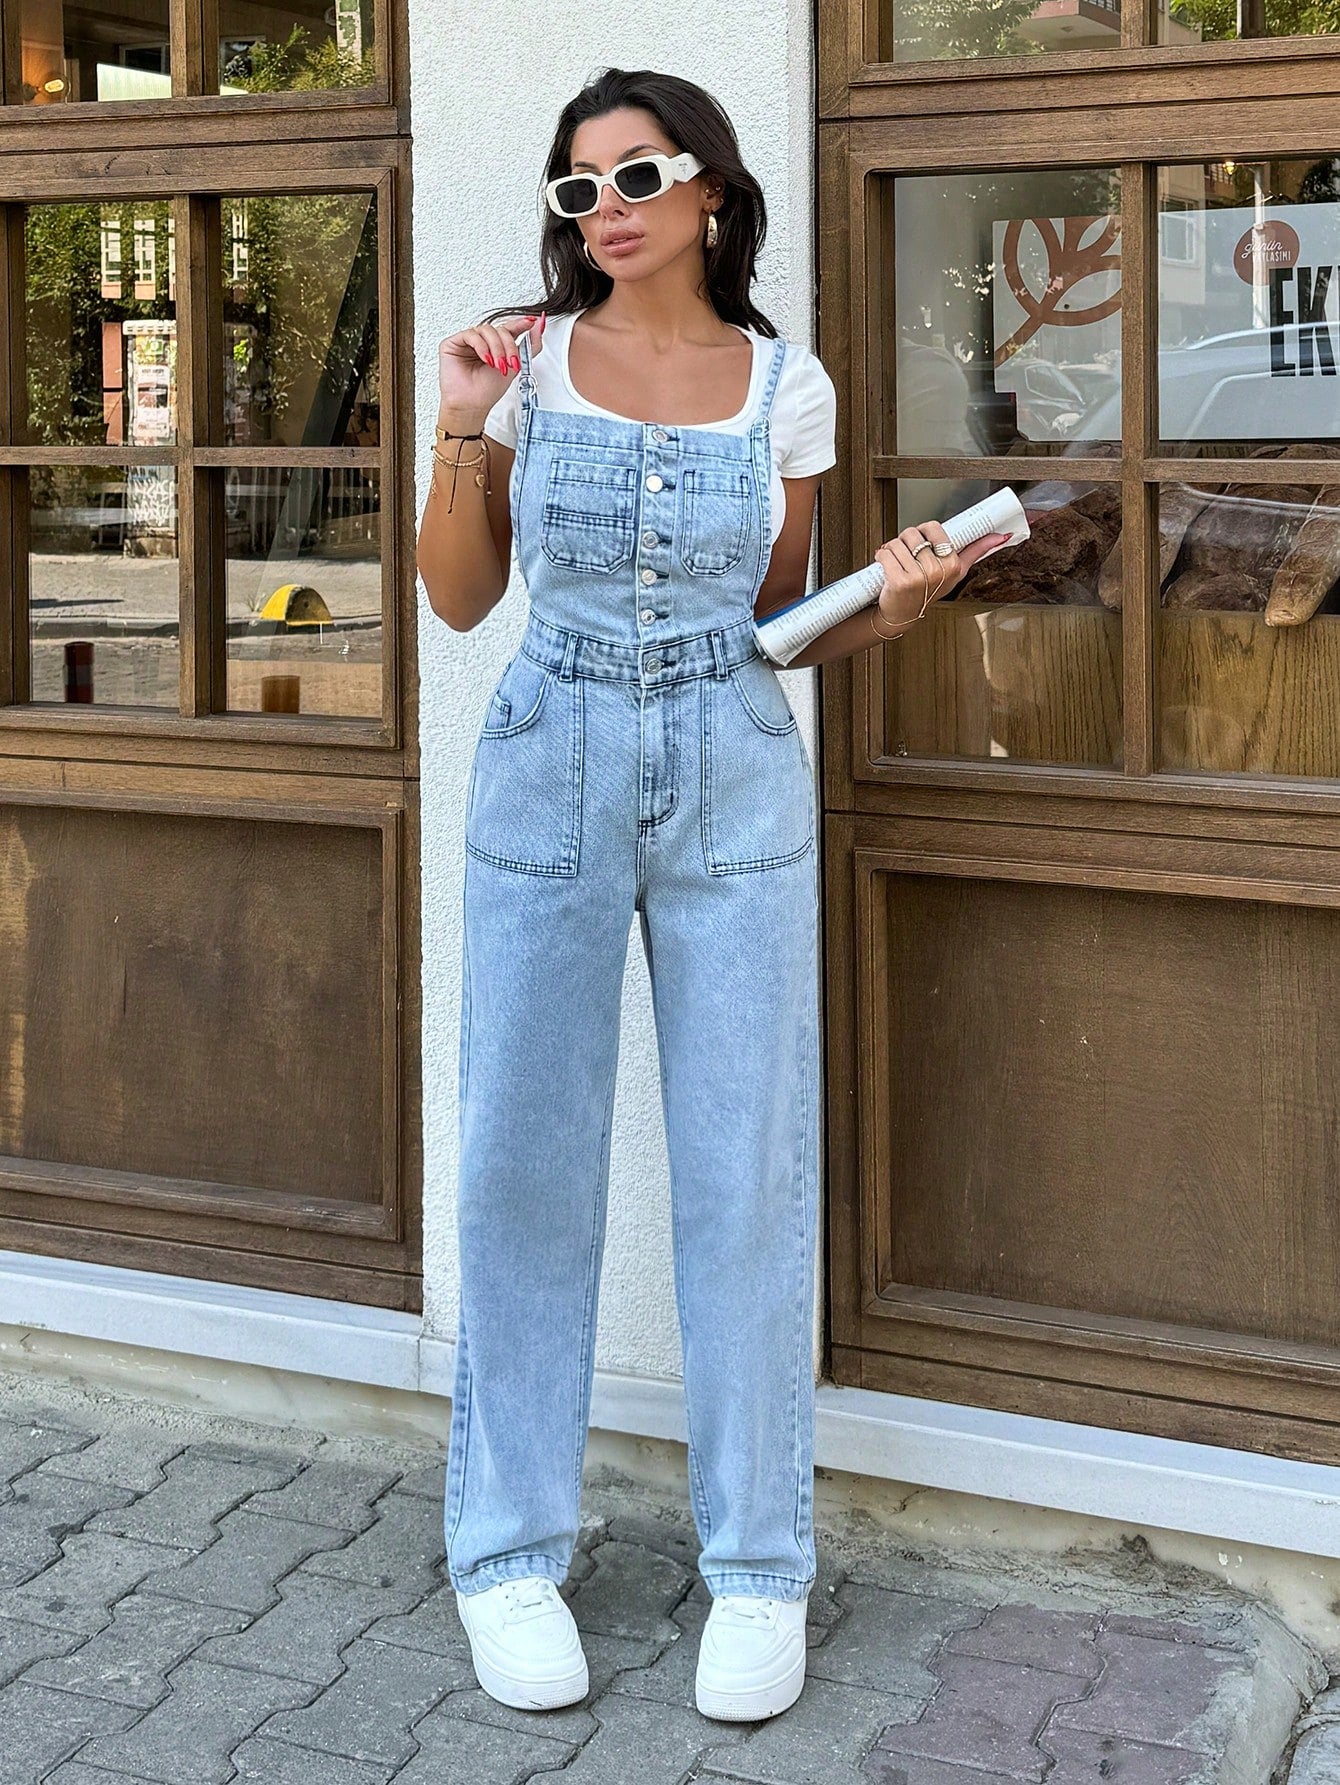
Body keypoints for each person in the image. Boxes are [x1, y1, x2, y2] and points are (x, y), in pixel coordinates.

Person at [416, 65, 1006, 1728]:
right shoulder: (525, 368)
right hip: (548, 752)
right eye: (576, 187)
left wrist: (897, 603)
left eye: (635, 175)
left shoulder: (785, 385)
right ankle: (506, 1548)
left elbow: (779, 623)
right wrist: (459, 420)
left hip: (732, 765)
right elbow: (457, 601)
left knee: (745, 1170)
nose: (604, 209)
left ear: (710, 191)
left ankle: (758, 1566)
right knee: (523, 1158)